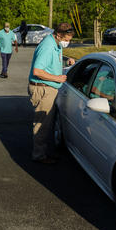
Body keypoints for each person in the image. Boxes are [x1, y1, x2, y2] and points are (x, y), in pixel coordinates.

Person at [27, 22, 76, 164]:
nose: (68, 42)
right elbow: (38, 71)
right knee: (42, 123)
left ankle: (42, 152)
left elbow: (51, 65)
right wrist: (57, 78)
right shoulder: (48, 46)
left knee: (46, 122)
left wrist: (67, 63)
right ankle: (39, 155)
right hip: (42, 89)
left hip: (48, 87)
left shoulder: (56, 43)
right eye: (66, 40)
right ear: (59, 34)